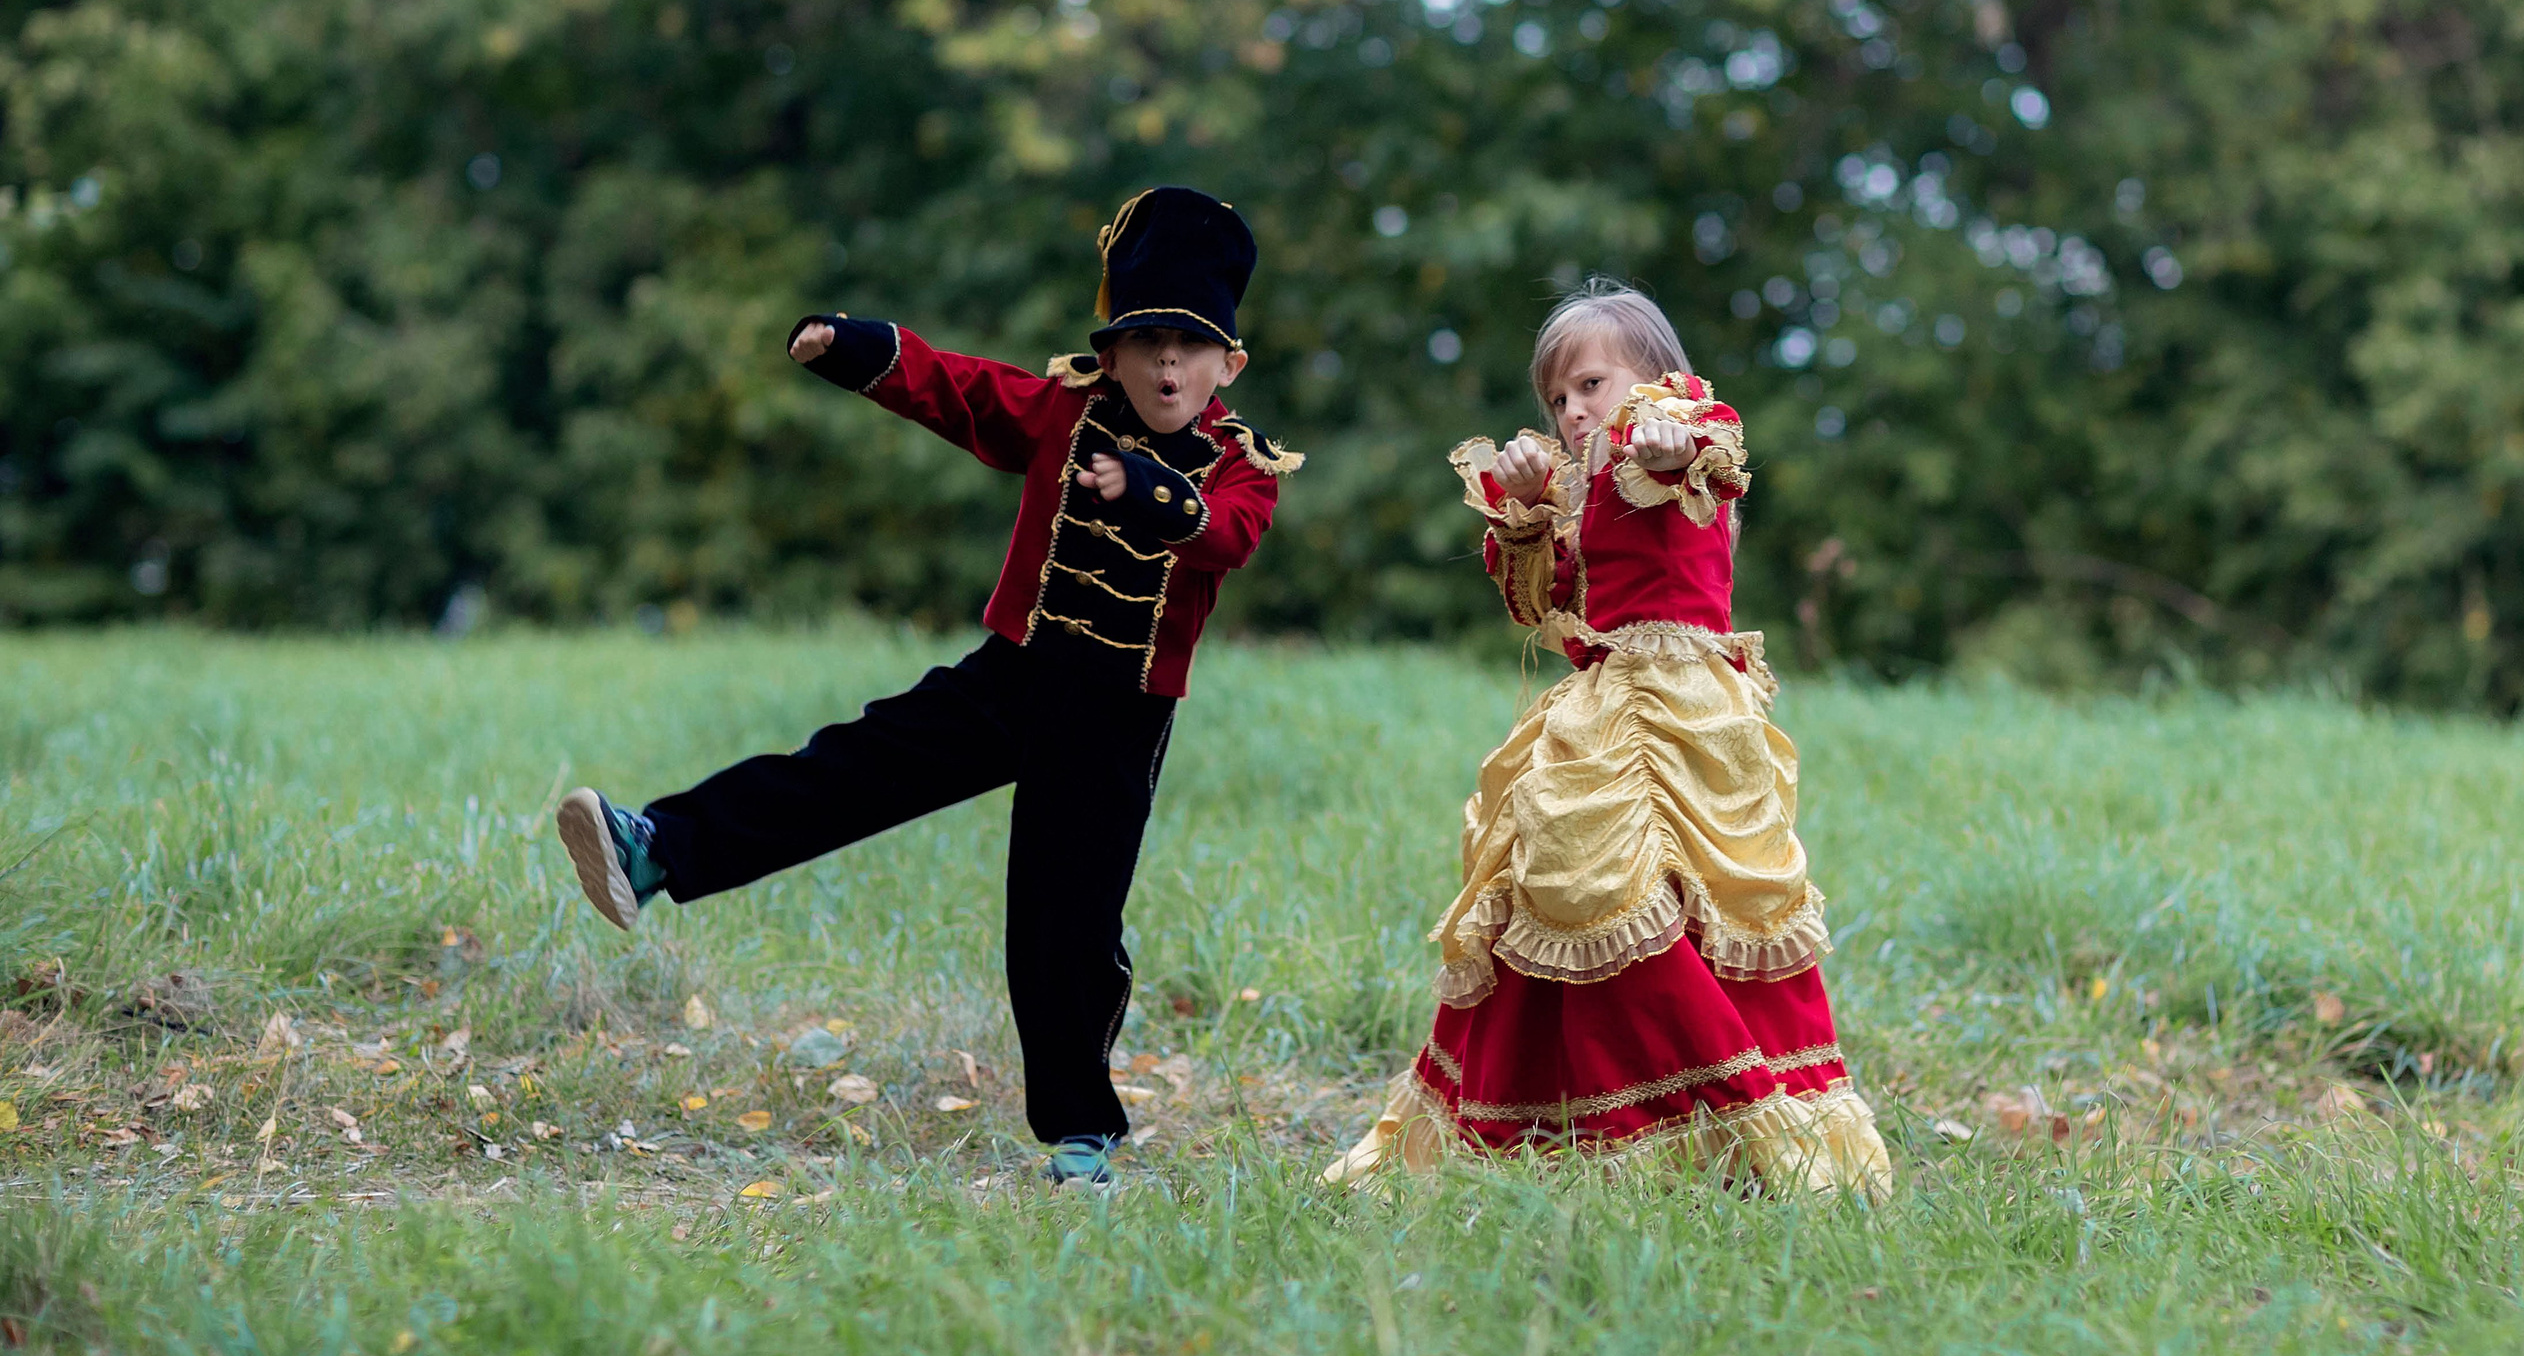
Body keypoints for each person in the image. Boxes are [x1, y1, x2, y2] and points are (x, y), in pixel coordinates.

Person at [554, 187, 1299, 1190]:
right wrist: (863, 351)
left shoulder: (1243, 464)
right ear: (1112, 352)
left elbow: (1228, 536)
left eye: (1191, 345)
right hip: (1014, 676)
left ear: (1228, 364)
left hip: (1118, 717)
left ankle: (1085, 1137)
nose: (1168, 363)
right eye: (1146, 341)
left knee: (1063, 922)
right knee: (848, 768)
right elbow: (963, 391)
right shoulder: (1064, 412)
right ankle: (655, 851)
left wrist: (1153, 492)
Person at [1323, 280, 1890, 1195]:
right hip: (1603, 703)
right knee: (1560, 877)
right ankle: (1579, 1112)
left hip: (1688, 712)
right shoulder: (1573, 479)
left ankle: (1737, 1105)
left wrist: (1669, 437)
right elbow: (1541, 601)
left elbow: (1694, 453)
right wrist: (1522, 503)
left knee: (1699, 898)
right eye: (1557, 396)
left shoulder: (1685, 434)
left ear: (1659, 376)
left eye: (1591, 384)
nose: (1573, 409)